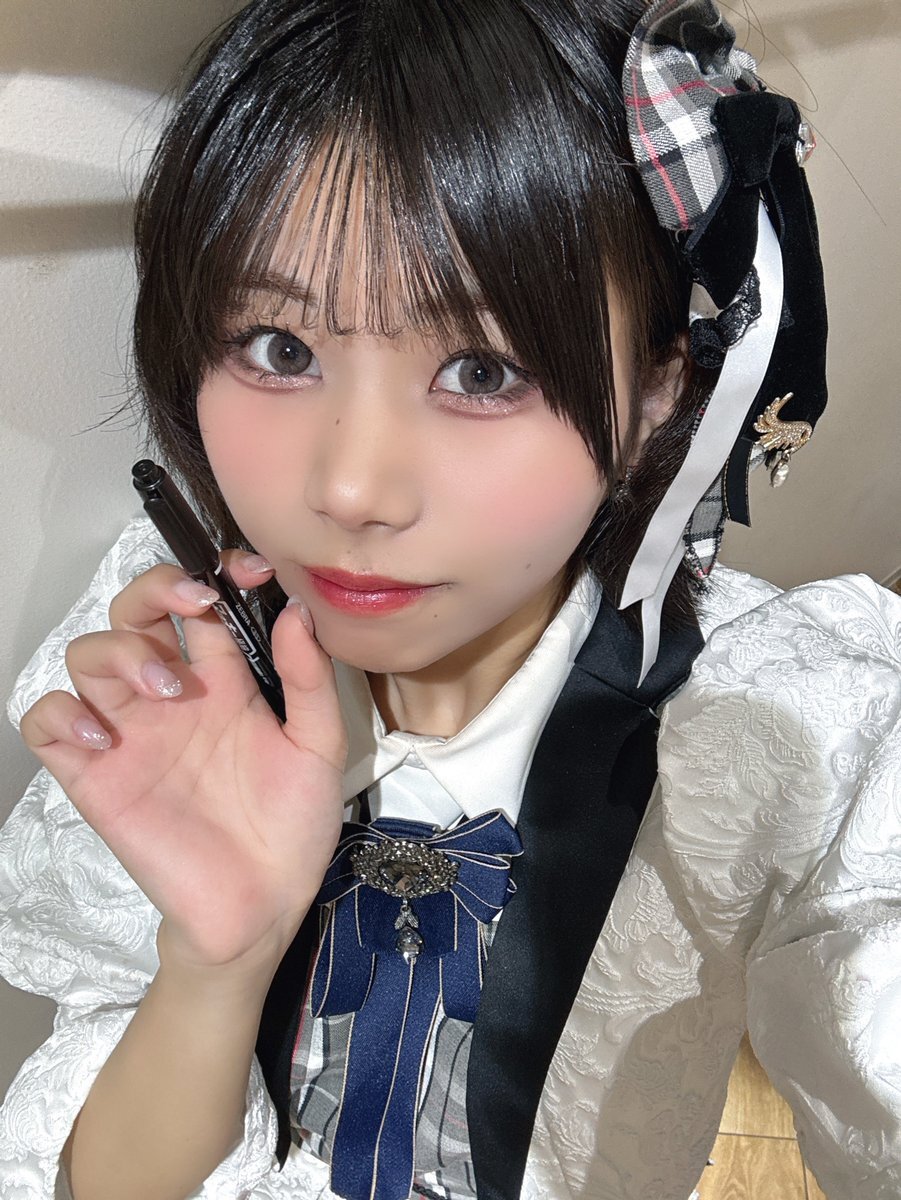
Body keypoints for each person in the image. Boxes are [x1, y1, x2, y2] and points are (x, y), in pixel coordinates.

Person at [1, 1, 899, 1198]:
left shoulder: (787, 727)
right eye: (277, 348)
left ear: (655, 401)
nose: (349, 489)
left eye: (480, 370)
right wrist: (218, 962)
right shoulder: (178, 664)